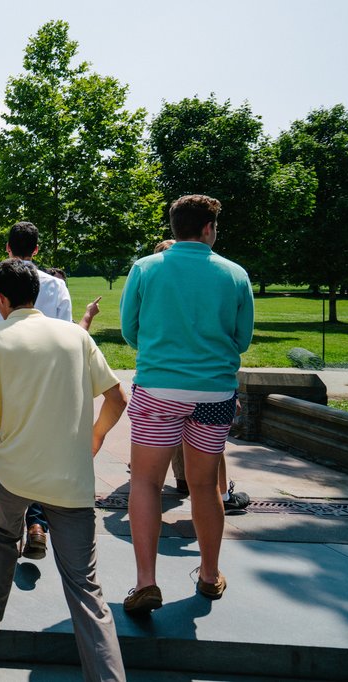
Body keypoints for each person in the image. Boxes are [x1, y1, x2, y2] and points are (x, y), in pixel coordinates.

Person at [0, 259, 127, 681]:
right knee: (85, 587)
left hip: (14, 467)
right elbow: (117, 399)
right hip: (70, 477)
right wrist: (94, 438)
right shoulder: (75, 336)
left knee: (3, 535)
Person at [120, 195, 254, 614]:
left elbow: (129, 329)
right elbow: (243, 338)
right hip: (214, 393)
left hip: (159, 389)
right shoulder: (235, 274)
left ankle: (145, 582)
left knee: (145, 483)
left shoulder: (145, 268)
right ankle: (210, 575)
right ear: (209, 228)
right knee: (203, 485)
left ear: (175, 226)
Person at [0, 223, 98, 562]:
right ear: (37, 250)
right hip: (48, 378)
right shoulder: (56, 286)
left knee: (9, 449)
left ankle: (11, 524)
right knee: (43, 443)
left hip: (3, 374)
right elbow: (68, 334)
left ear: (8, 248)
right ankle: (37, 523)